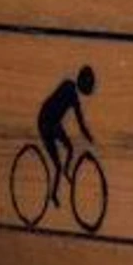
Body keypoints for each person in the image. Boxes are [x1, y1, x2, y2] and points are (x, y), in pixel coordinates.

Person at [35, 65, 97, 213]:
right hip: (46, 122)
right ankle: (54, 195)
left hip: (54, 124)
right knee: (57, 164)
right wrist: (87, 135)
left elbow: (80, 122)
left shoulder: (73, 96)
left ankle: (65, 171)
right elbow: (78, 120)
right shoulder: (68, 86)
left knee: (69, 149)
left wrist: (88, 136)